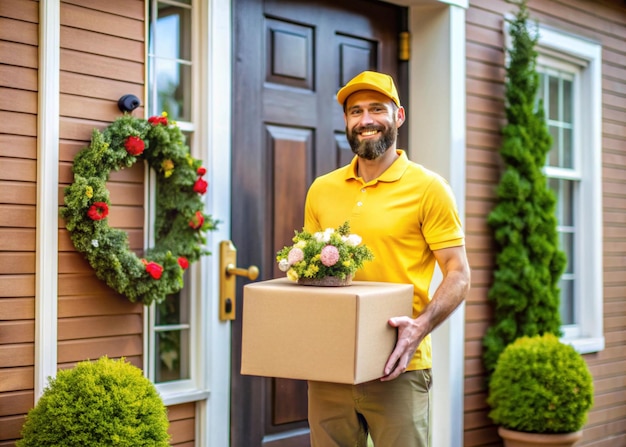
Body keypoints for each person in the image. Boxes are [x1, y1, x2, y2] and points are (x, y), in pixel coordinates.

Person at [303, 71, 471, 447]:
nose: (365, 120)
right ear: (346, 122)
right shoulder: (321, 190)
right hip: (329, 367)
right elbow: (311, 275)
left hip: (399, 367)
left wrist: (420, 327)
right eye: (355, 111)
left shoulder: (429, 188)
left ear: (399, 116)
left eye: (377, 109)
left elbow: (459, 274)